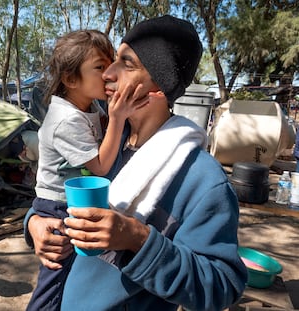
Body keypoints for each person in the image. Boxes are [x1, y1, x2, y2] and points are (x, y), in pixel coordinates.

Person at [24, 15, 248, 311]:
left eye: (127, 64)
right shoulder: (103, 141)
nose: (108, 74)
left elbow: (221, 287)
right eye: (111, 60)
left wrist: (138, 240)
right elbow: (57, 194)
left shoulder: (203, 181)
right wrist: (35, 224)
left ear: (159, 86)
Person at [27, 30, 146, 311]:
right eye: (100, 67)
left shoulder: (87, 107)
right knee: (54, 283)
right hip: (56, 207)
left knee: (70, 279)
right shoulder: (65, 119)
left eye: (112, 65)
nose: (108, 74)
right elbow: (102, 168)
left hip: (71, 201)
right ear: (70, 80)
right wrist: (118, 117)